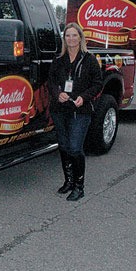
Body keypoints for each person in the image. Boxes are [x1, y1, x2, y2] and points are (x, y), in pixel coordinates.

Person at [48, 22, 103, 201]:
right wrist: (58, 94)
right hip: (60, 109)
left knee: (74, 147)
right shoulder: (58, 60)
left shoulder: (89, 59)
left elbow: (97, 83)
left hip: (80, 110)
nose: (71, 39)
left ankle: (79, 186)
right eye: (68, 36)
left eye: (74, 35)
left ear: (80, 37)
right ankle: (69, 181)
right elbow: (51, 82)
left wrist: (84, 97)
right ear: (64, 39)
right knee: (63, 146)